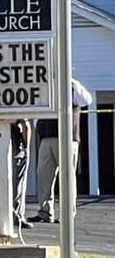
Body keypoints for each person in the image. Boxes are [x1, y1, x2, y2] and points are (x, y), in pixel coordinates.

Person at [29, 78, 93, 223]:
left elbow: (86, 100)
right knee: (43, 176)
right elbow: (38, 109)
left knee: (67, 178)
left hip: (67, 137)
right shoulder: (45, 87)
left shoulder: (72, 86)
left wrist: (72, 82)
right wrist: (37, 124)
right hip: (46, 137)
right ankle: (45, 212)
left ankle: (67, 214)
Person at [11, 118, 33, 229]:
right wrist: (27, 147)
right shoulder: (18, 106)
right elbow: (26, 125)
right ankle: (17, 216)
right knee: (19, 183)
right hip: (16, 146)